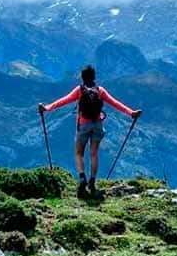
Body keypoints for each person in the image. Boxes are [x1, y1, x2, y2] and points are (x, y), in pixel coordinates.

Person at [38, 64, 141, 198]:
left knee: (79, 153)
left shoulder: (79, 90)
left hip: (84, 125)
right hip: (97, 124)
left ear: (82, 77)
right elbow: (115, 103)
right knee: (94, 154)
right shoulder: (100, 90)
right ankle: (92, 182)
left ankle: (82, 177)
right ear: (94, 77)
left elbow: (63, 101)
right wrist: (131, 113)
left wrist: (46, 108)